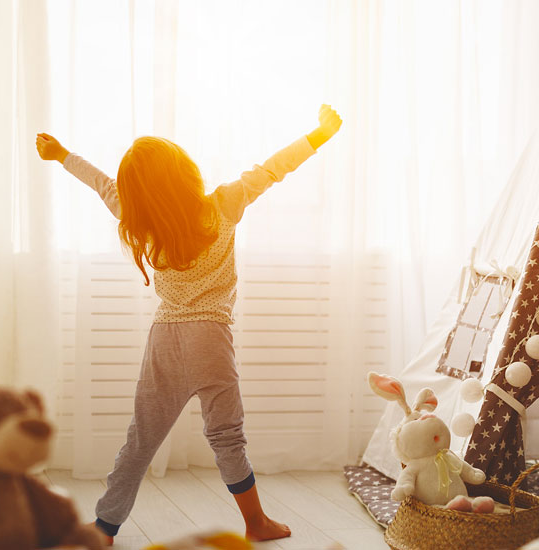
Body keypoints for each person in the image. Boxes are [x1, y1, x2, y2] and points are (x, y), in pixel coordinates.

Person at [35, 105, 342, 544]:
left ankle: (104, 527)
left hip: (165, 336)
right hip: (210, 338)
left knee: (141, 439)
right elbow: (273, 169)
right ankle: (256, 522)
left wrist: (63, 154)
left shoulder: (140, 221)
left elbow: (103, 185)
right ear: (185, 171)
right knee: (226, 436)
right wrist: (319, 135)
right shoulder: (223, 203)